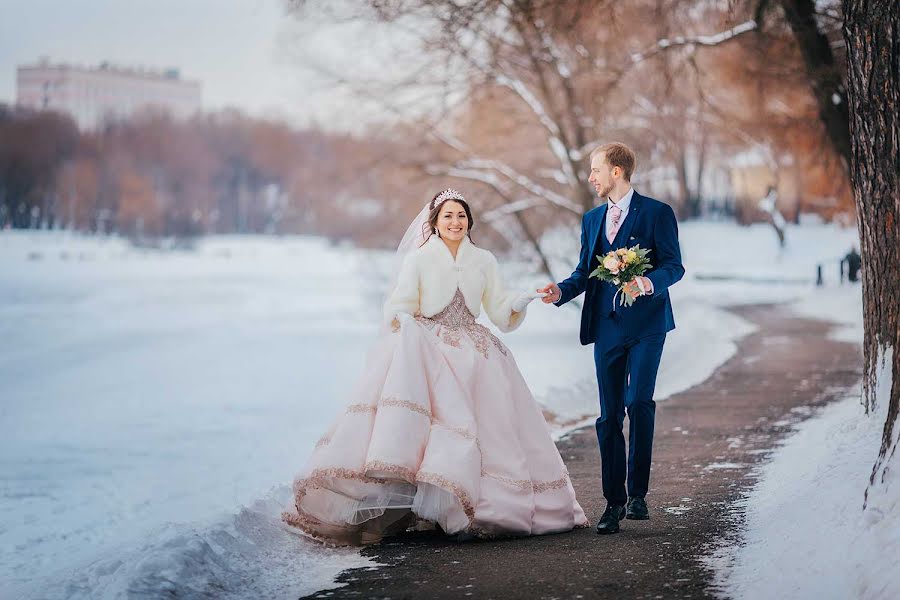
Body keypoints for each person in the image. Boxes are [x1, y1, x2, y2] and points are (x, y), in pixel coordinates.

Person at [282, 189, 588, 545]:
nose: (455, 222)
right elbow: (400, 304)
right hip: (431, 350)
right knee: (435, 429)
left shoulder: (484, 260)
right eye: (448, 216)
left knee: (492, 429)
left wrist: (522, 299)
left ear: (469, 221)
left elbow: (500, 310)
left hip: (477, 355)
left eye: (461, 215)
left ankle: (483, 508)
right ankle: (421, 509)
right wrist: (402, 320)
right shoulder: (420, 259)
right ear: (435, 223)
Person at [538, 142, 684, 535]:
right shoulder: (591, 219)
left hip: (648, 326)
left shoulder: (657, 213)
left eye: (595, 170)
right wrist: (561, 292)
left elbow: (674, 266)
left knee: (639, 403)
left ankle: (637, 495)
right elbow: (585, 271)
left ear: (616, 171)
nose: (591, 177)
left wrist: (647, 282)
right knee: (608, 416)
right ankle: (612, 503)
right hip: (607, 327)